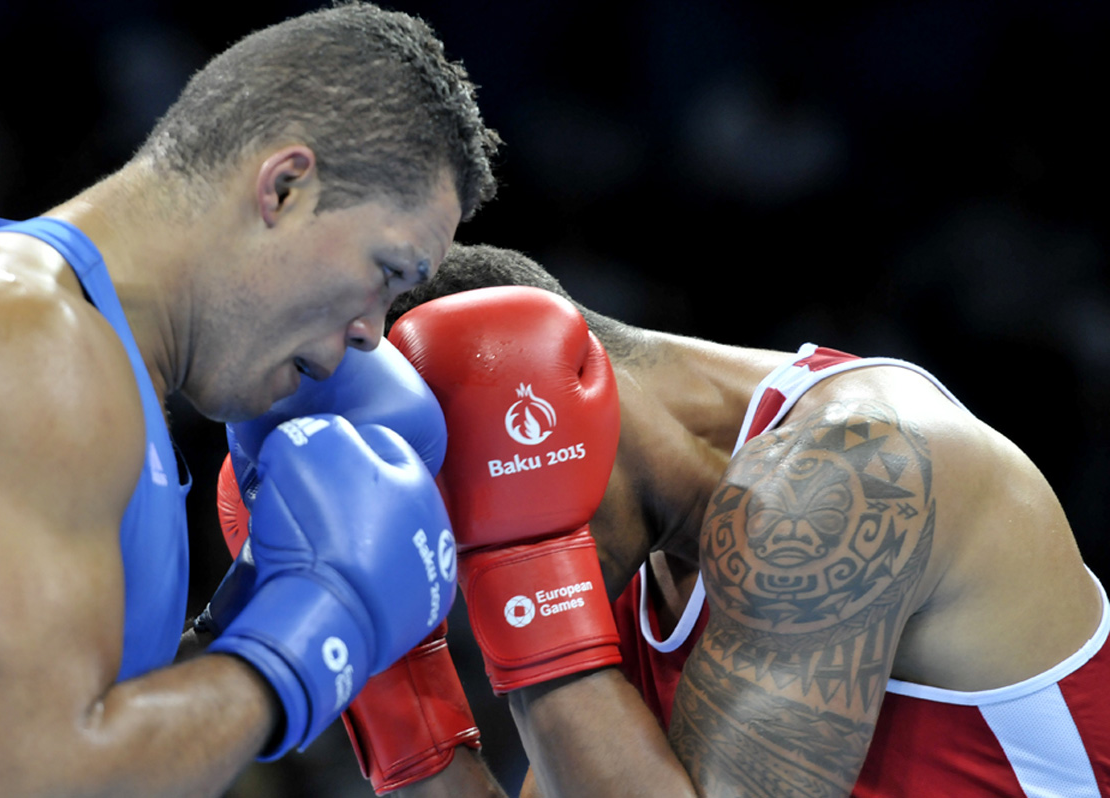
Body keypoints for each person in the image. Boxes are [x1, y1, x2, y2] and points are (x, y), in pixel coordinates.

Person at [0, 2, 500, 795]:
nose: (370, 332)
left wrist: (251, 617)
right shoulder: (22, 334)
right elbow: (27, 781)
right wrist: (325, 623)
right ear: (285, 188)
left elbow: (78, 730)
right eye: (388, 273)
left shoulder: (98, 369)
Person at [347, 242, 1109, 797]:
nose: (460, 570)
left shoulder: (856, 465)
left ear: (531, 419)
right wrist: (395, 693)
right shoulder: (614, 564)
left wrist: (523, 575)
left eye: (456, 510)